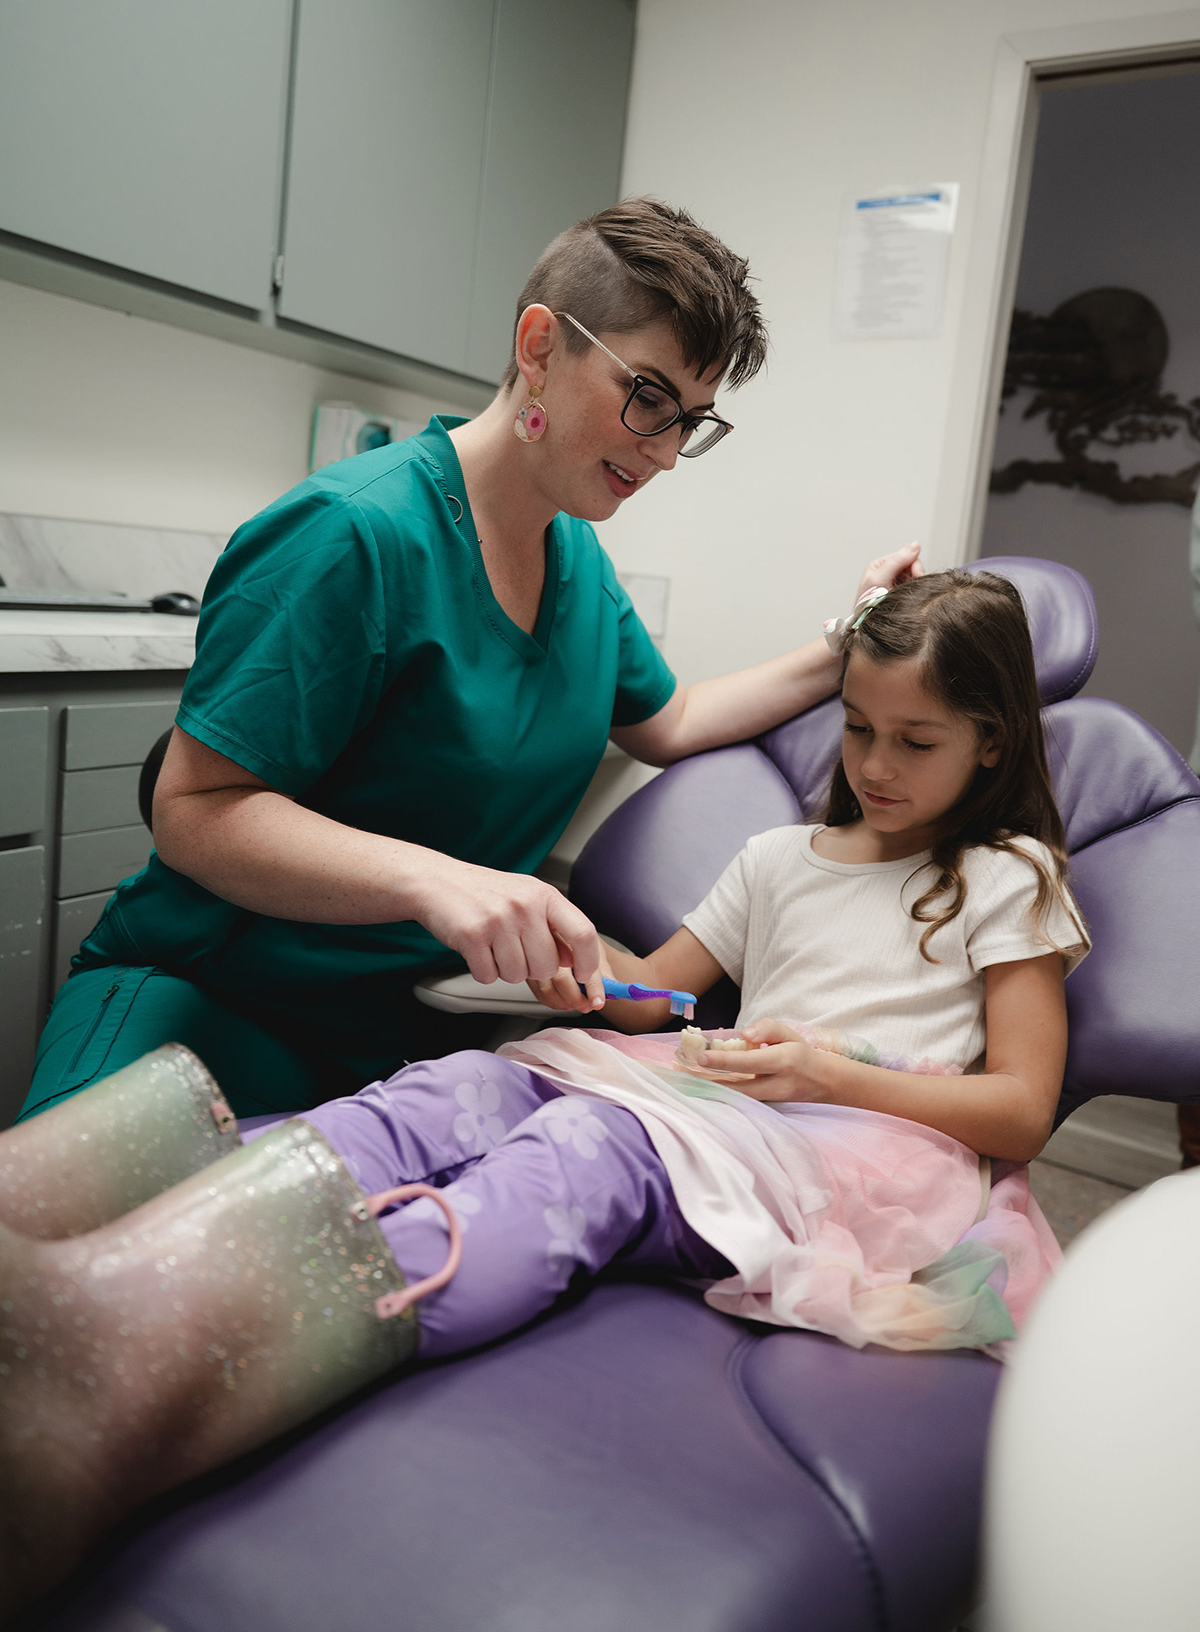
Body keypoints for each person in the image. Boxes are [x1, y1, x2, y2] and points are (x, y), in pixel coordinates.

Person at [1, 568, 1087, 1616]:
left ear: (990, 741)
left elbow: (1021, 1109)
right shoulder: (780, 857)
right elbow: (655, 1001)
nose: (875, 763)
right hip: (714, 1091)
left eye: (916, 741)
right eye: (857, 728)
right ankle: (68, 1221)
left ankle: (194, 1334)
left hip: (856, 1145)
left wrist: (828, 1073)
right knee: (459, 1087)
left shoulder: (1008, 878)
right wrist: (584, 980)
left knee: (585, 1148)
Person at [16, 199, 922, 1124]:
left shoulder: (577, 562)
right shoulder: (352, 533)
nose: (665, 454)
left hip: (399, 1043)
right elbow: (193, 811)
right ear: (540, 347)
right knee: (51, 1256)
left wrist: (848, 644)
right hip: (215, 1007)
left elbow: (671, 721)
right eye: (647, 397)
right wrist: (437, 879)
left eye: (689, 421)